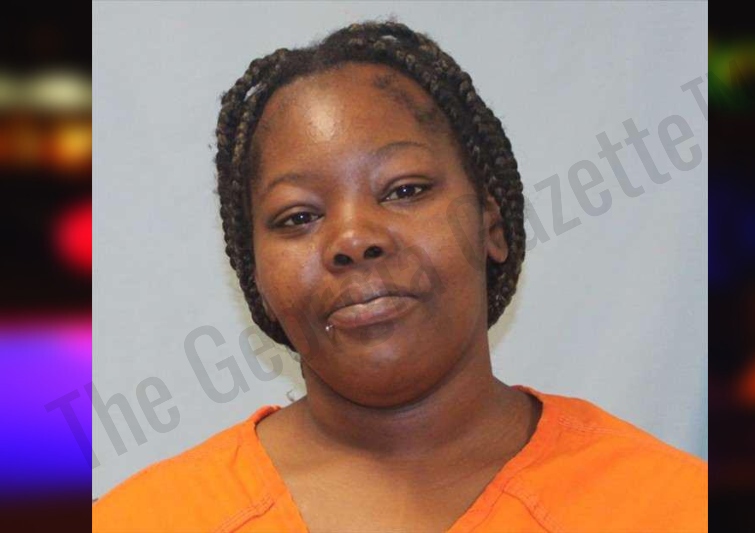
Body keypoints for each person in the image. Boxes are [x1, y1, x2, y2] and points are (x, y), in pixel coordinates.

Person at [92, 20, 707, 533]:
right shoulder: (146, 519)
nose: (354, 239)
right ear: (256, 278)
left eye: (405, 190)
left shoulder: (672, 506)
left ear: (491, 224)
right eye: (298, 216)